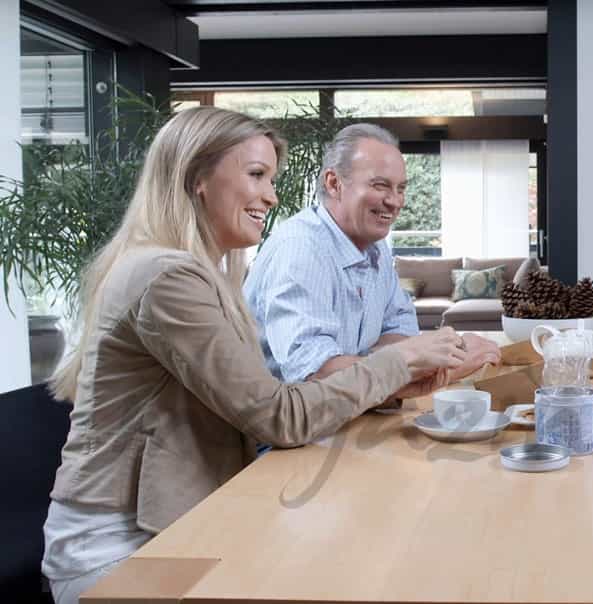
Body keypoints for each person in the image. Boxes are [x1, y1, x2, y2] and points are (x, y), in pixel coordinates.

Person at [41, 107, 469, 604]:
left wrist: (396, 373)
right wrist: (401, 362)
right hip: (120, 549)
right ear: (197, 177)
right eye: (256, 175)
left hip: (178, 520)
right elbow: (278, 415)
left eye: (271, 178)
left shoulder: (197, 273)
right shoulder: (168, 279)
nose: (271, 195)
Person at [243, 123, 500, 389]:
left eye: (401, 189)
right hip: (295, 426)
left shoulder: (375, 248)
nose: (395, 201)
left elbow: (398, 330)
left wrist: (418, 361)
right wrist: (446, 366)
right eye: (381, 186)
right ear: (334, 184)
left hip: (352, 414)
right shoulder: (301, 249)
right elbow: (318, 376)